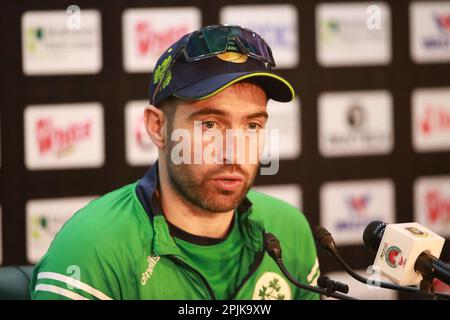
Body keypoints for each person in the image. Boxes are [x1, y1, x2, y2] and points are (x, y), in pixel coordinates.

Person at [30, 24, 320, 300]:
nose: (234, 152)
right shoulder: (90, 249)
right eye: (209, 124)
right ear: (157, 127)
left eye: (252, 126)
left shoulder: (288, 229)